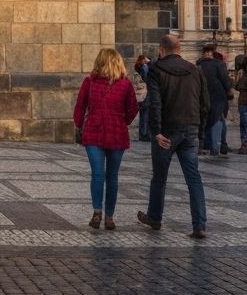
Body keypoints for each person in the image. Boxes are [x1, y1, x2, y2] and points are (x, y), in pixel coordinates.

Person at [138, 32, 210, 239]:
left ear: (161, 50)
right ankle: (199, 225)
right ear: (179, 49)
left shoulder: (156, 69)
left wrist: (156, 131)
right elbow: (205, 104)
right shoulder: (195, 70)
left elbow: (155, 103)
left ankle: (155, 217)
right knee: (194, 178)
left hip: (167, 131)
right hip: (191, 128)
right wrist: (200, 132)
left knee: (159, 177)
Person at [73, 48, 139, 229]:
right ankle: (104, 215)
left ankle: (103, 214)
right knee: (106, 175)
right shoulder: (98, 82)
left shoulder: (118, 83)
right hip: (108, 133)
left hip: (101, 131)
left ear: (100, 61)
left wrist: (79, 124)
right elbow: (132, 108)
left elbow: (80, 106)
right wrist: (122, 121)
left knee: (104, 175)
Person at [197, 43, 232, 156]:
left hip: (202, 96)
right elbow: (225, 80)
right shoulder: (218, 64)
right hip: (217, 96)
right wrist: (229, 88)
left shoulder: (198, 65)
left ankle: (205, 145)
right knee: (218, 119)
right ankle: (216, 147)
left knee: (205, 120)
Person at [134, 54, 151, 141]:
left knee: (144, 115)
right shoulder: (144, 67)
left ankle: (143, 134)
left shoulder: (139, 67)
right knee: (146, 115)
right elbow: (148, 79)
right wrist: (149, 62)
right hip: (146, 95)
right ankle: (145, 135)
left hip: (142, 96)